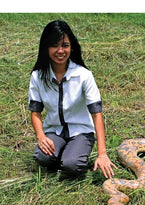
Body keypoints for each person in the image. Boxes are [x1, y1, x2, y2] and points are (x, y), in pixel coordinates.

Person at [28, 20, 117, 179]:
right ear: (46, 47)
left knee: (71, 165)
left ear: (71, 47)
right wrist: (41, 136)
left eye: (65, 45)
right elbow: (35, 112)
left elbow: (97, 115)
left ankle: (70, 155)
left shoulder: (84, 75)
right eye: (54, 45)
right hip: (54, 130)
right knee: (41, 157)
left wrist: (102, 153)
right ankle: (63, 152)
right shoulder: (38, 76)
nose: (60, 51)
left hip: (81, 131)